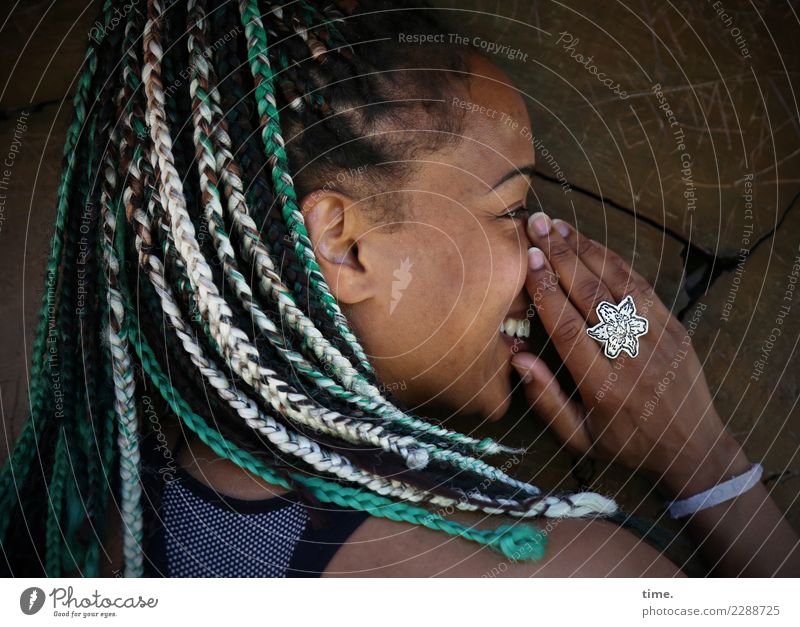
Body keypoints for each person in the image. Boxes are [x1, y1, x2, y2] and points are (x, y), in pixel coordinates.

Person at [2, 0, 798, 578]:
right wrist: (703, 460)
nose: (541, 253)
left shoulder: (108, 524)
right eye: (512, 208)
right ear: (345, 249)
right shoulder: (557, 579)